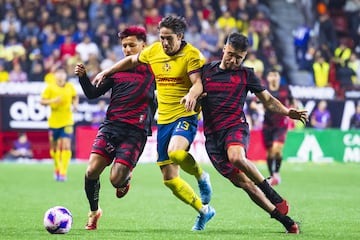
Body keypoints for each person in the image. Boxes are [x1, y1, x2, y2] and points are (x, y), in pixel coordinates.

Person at [93, 15, 214, 231]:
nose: (165, 43)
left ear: (180, 36)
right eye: (161, 38)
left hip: (185, 114)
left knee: (177, 153)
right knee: (169, 180)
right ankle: (204, 211)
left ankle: (201, 176)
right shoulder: (154, 51)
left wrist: (191, 96)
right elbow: (131, 61)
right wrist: (107, 71)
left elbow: (198, 83)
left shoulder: (193, 55)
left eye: (169, 39)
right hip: (164, 120)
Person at [199, 32, 308, 234]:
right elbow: (194, 92)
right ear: (224, 48)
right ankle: (286, 221)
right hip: (213, 138)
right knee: (246, 185)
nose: (233, 60)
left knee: (237, 157)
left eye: (238, 58)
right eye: (230, 54)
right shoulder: (205, 71)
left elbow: (268, 100)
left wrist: (287, 111)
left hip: (235, 126)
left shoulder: (246, 74)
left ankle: (272, 193)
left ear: (245, 57)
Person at [74, 26, 156, 230]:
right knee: (92, 170)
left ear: (143, 45)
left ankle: (124, 180)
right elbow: (93, 94)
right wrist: (83, 77)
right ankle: (94, 212)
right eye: (124, 46)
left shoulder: (154, 70)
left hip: (135, 132)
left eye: (131, 45)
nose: (127, 49)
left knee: (115, 179)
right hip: (111, 127)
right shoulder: (116, 70)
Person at [40, 67, 79, 182]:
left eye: (63, 73)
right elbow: (42, 101)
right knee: (55, 148)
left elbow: (74, 97)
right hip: (54, 122)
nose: (61, 75)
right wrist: (52, 101)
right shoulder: (50, 87)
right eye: (59, 73)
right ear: (55, 75)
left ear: (65, 75)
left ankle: (63, 172)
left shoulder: (70, 86)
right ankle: (57, 167)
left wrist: (75, 104)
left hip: (67, 121)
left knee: (66, 145)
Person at [262, 68, 295, 186]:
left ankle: (276, 173)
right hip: (267, 124)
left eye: (276, 75)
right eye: (272, 75)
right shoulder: (264, 90)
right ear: (268, 78)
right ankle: (272, 175)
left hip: (281, 124)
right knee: (270, 152)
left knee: (277, 149)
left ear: (279, 77)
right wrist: (257, 107)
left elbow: (292, 102)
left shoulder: (285, 90)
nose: (274, 78)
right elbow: (254, 102)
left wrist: (293, 112)